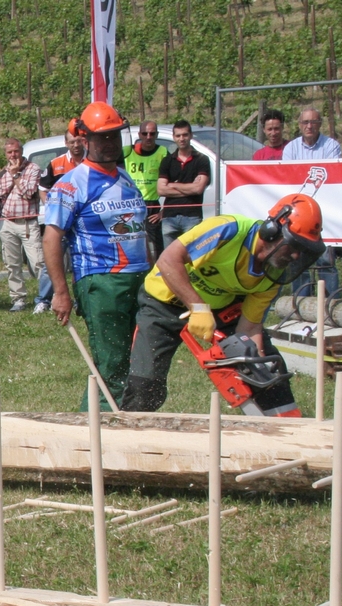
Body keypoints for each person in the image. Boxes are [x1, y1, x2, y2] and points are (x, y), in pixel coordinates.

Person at [121, 195, 325, 417]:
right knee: (145, 384)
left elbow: (249, 327)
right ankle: (131, 429)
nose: (295, 255)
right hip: (164, 301)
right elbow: (169, 260)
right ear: (271, 230)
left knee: (269, 373)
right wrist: (198, 308)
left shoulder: (273, 274)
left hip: (222, 310)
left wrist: (255, 365)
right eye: (293, 245)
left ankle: (286, 429)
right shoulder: (228, 230)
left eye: (302, 249)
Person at [43, 102, 151, 411]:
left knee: (140, 362)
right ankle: (93, 431)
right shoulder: (71, 184)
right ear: (85, 140)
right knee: (112, 365)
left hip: (140, 279)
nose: (110, 143)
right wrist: (61, 293)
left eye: (115, 136)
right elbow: (52, 239)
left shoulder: (126, 179)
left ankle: (131, 420)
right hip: (102, 281)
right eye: (103, 138)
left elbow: (140, 231)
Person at [282, 108, 341, 298]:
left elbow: (330, 176)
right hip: (298, 214)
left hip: (324, 214)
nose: (309, 126)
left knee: (326, 260)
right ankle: (301, 303)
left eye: (313, 122)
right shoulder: (290, 148)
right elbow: (289, 178)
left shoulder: (331, 145)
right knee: (298, 259)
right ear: (299, 125)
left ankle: (332, 304)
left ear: (320, 124)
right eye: (305, 122)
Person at [0, 137, 51, 313]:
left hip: (27, 223)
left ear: (22, 151)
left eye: (16, 151)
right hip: (7, 223)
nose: (13, 155)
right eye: (9, 152)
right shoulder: (2, 174)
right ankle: (18, 299)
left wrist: (16, 174)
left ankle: (47, 297)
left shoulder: (33, 169)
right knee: (12, 264)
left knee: (38, 262)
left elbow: (29, 192)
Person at [157, 120, 211, 249]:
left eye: (185, 135)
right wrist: (189, 187)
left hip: (192, 216)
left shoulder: (202, 160)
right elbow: (161, 190)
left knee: (192, 257)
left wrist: (173, 185)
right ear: (173, 137)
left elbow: (198, 189)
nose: (182, 139)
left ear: (191, 135)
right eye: (178, 135)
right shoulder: (167, 161)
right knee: (170, 259)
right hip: (169, 217)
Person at [122, 120, 168, 263]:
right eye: (145, 133)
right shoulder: (128, 152)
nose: (148, 137)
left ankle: (157, 271)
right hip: (131, 203)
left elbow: (173, 181)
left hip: (152, 204)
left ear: (157, 135)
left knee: (155, 242)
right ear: (139, 134)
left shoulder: (163, 152)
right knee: (130, 239)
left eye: (152, 134)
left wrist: (164, 210)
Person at [39, 122, 87, 201]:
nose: (76, 145)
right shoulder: (55, 164)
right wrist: (51, 209)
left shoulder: (93, 160)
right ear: (66, 143)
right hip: (66, 211)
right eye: (72, 142)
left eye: (78, 141)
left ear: (83, 140)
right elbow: (43, 190)